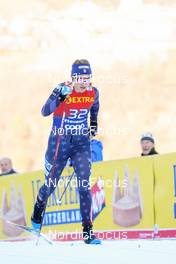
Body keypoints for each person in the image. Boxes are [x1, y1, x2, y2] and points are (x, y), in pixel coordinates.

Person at [31, 59, 101, 244]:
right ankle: (39, 206)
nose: (84, 81)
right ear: (73, 77)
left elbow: (94, 109)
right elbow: (44, 111)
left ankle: (87, 231)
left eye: (87, 77)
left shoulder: (93, 92)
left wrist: (93, 127)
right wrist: (59, 97)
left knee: (85, 185)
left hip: (81, 143)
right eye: (80, 77)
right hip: (59, 142)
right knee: (51, 184)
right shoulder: (63, 89)